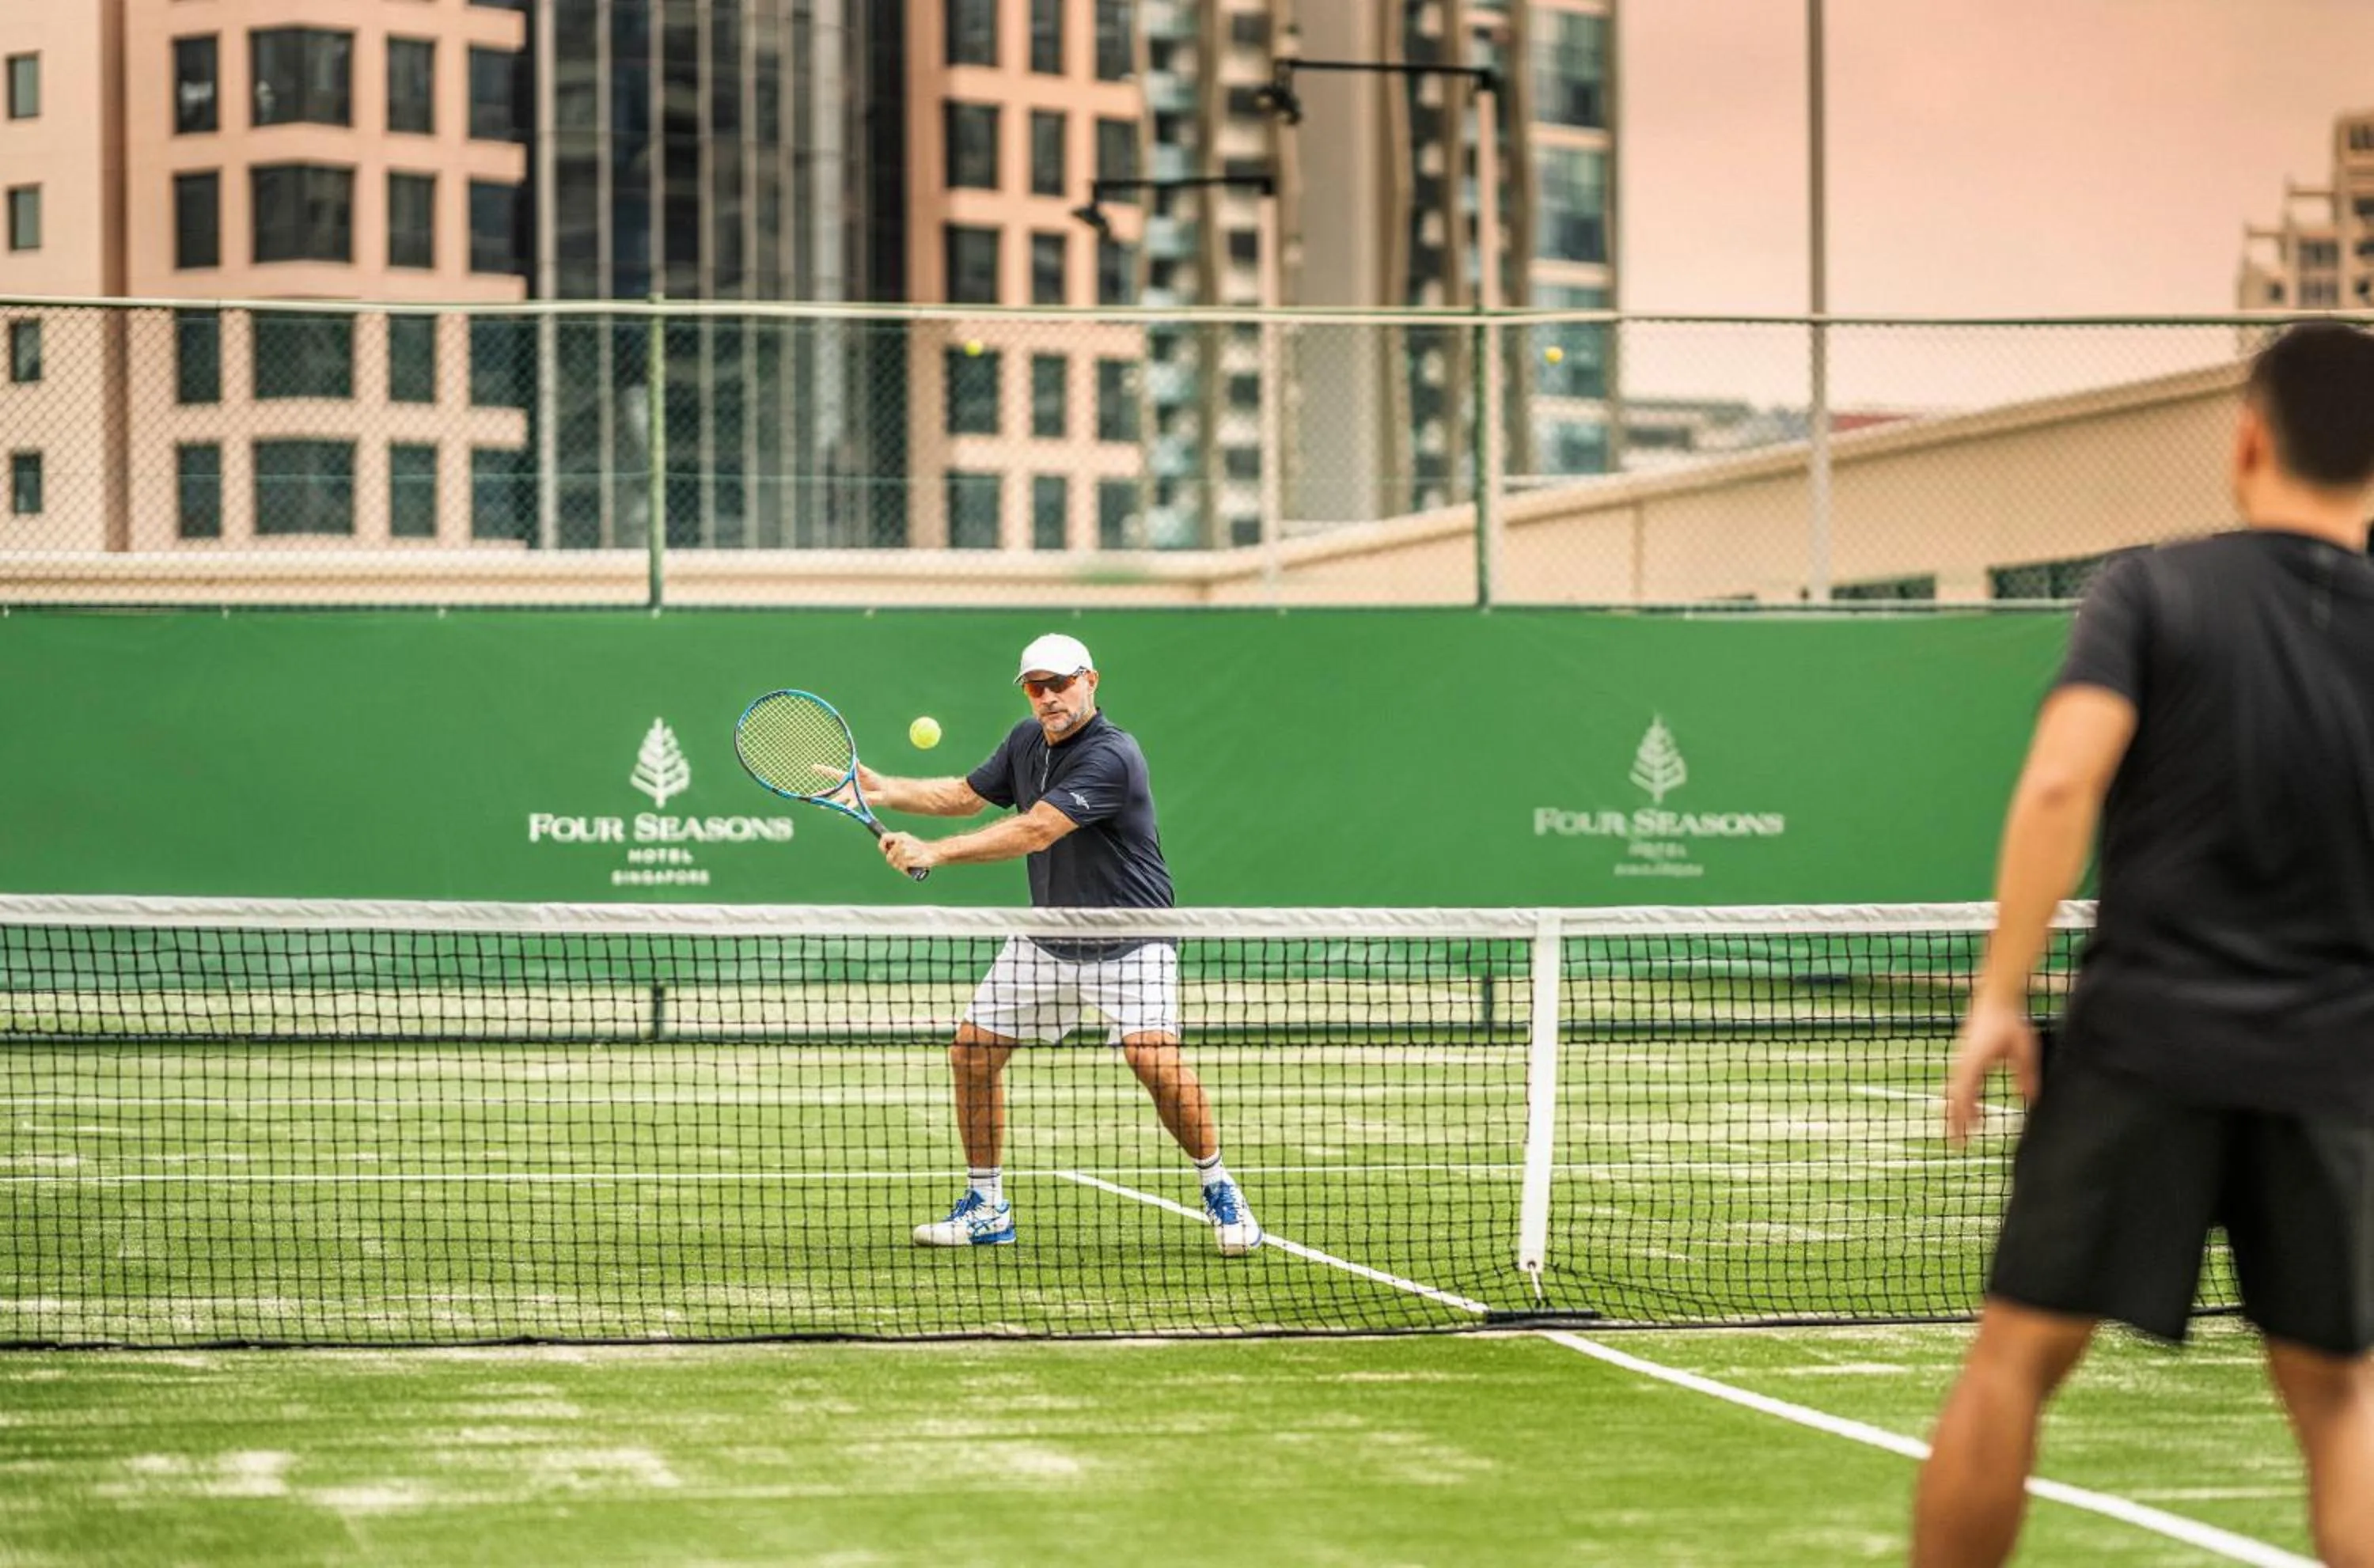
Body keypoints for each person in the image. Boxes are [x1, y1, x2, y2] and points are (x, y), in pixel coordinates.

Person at [1913, 323, 2374, 1567]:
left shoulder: (2150, 590)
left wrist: (1998, 995)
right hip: (2336, 1064)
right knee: (2343, 1403)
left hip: (2143, 1046)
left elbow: (2062, 781)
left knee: (2014, 1359)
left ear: (2249, 437)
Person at [858, 632, 1262, 1256]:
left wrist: (932, 851)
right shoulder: (1026, 740)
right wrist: (887, 789)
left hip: (1133, 936)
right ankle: (987, 1205)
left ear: (1090, 680)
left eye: (1060, 683)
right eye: (1035, 686)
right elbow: (967, 796)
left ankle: (1220, 1187)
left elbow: (1039, 829)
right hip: (1050, 937)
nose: (1048, 697)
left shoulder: (1112, 755)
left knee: (1152, 1060)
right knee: (971, 1053)